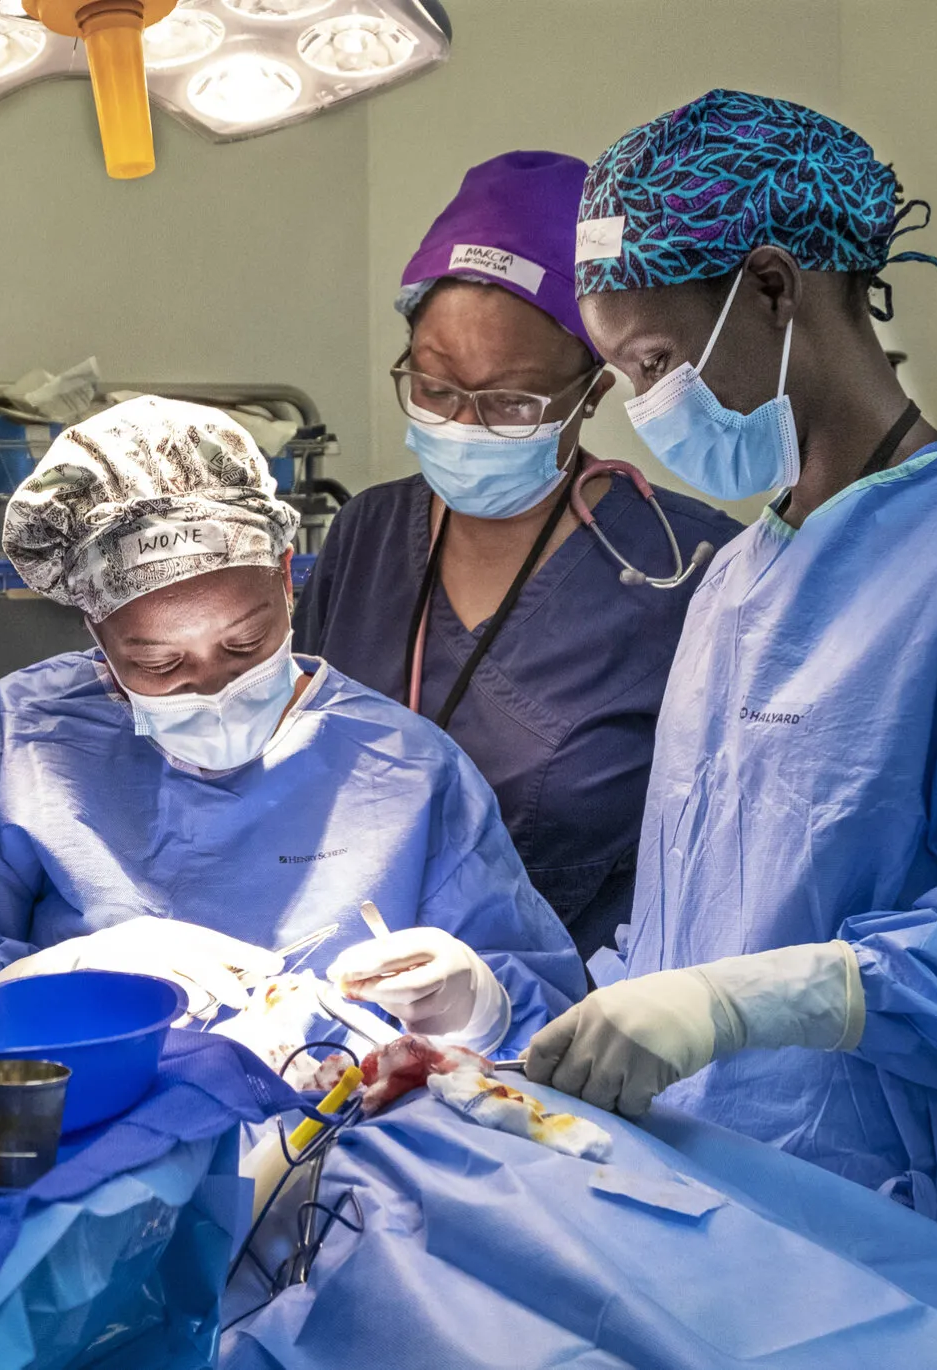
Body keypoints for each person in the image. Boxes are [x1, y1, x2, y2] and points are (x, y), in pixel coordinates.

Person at [522, 89, 937, 1368]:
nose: (639, 406)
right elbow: (701, 917)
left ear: (772, 287)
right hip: (736, 1224)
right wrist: (531, 1003)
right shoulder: (735, 579)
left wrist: (775, 993)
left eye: (653, 361)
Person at [0, 395, 584, 1052]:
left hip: (351, 1140)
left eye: (244, 644)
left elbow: (550, 1023)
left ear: (290, 578)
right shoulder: (12, 749)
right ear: (94, 629)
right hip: (87, 1134)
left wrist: (478, 1004)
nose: (213, 686)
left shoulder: (405, 769)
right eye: (159, 664)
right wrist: (63, 977)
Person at [295, 152, 741, 960]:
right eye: (433, 388)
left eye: (509, 403)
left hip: (574, 1023)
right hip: (349, 992)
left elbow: (730, 859)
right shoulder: (365, 535)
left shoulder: (691, 568)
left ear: (592, 393)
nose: (463, 424)